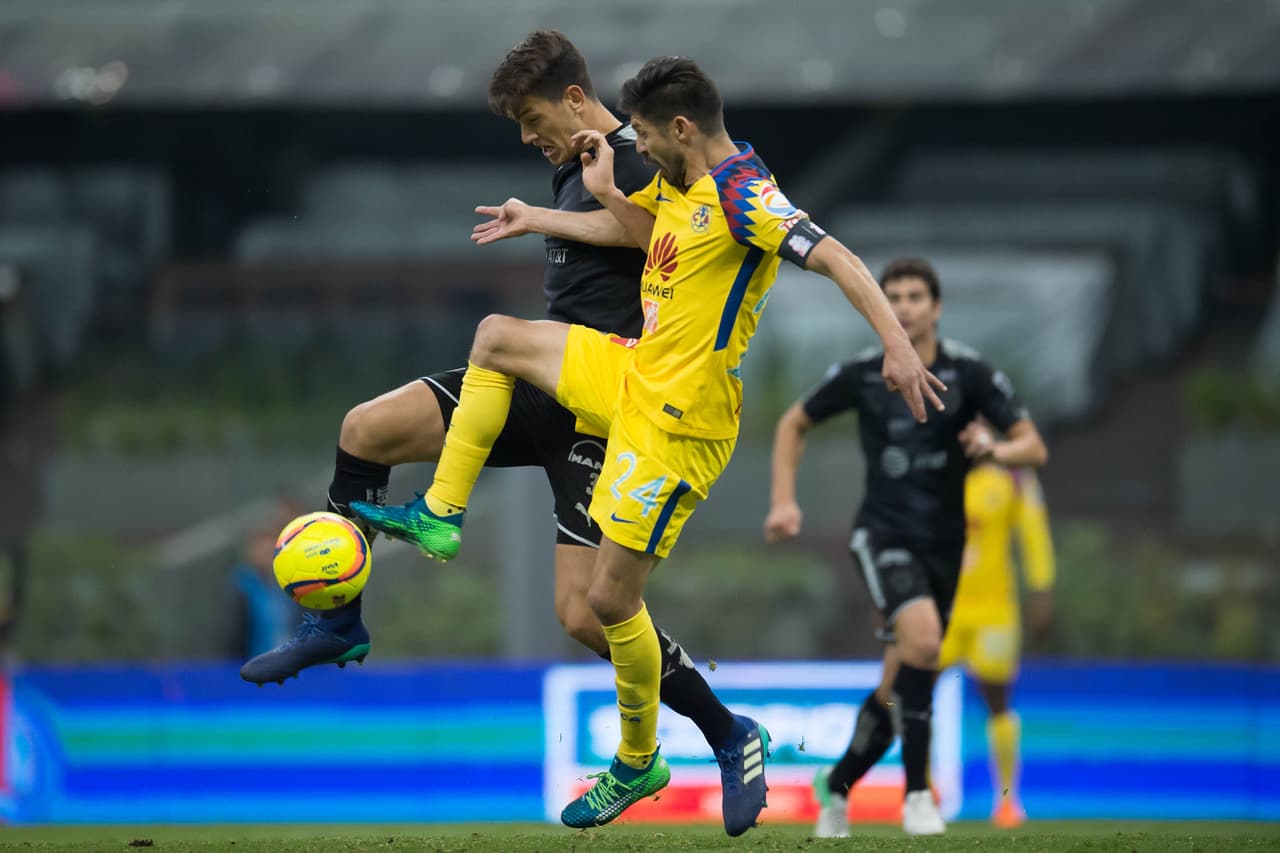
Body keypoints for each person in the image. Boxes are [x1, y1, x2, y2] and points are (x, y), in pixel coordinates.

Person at [351, 58, 944, 831]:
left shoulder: (744, 193)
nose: (639, 149)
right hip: (630, 370)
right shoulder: (677, 181)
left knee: (607, 600)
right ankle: (441, 512)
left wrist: (897, 346)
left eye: (649, 138)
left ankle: (641, 758)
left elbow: (835, 255)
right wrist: (582, 202)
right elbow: (648, 234)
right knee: (498, 337)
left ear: (683, 130)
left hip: (679, 423)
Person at [240, 33, 774, 837]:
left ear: (571, 99)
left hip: (606, 407)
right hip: (541, 382)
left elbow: (670, 237)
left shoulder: (640, 158)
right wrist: (547, 212)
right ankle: (339, 620)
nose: (527, 138)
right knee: (365, 429)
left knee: (588, 613)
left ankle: (726, 732)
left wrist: (572, 209)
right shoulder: (582, 161)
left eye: (531, 119)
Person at [763, 257, 1047, 837]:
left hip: (943, 546)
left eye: (916, 295)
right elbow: (793, 422)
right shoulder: (864, 374)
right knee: (923, 642)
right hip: (882, 535)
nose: (905, 305)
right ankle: (918, 797)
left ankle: (837, 785)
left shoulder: (971, 375)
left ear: (936, 308)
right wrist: (783, 500)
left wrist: (994, 447)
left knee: (899, 685)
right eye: (893, 296)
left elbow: (1033, 447)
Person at [938, 459, 1055, 828]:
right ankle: (922, 792)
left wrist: (1042, 587)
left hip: (994, 611)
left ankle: (1007, 800)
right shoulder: (936, 467)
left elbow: (1034, 533)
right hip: (941, 607)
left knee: (998, 700)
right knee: (913, 692)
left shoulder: (1014, 477)